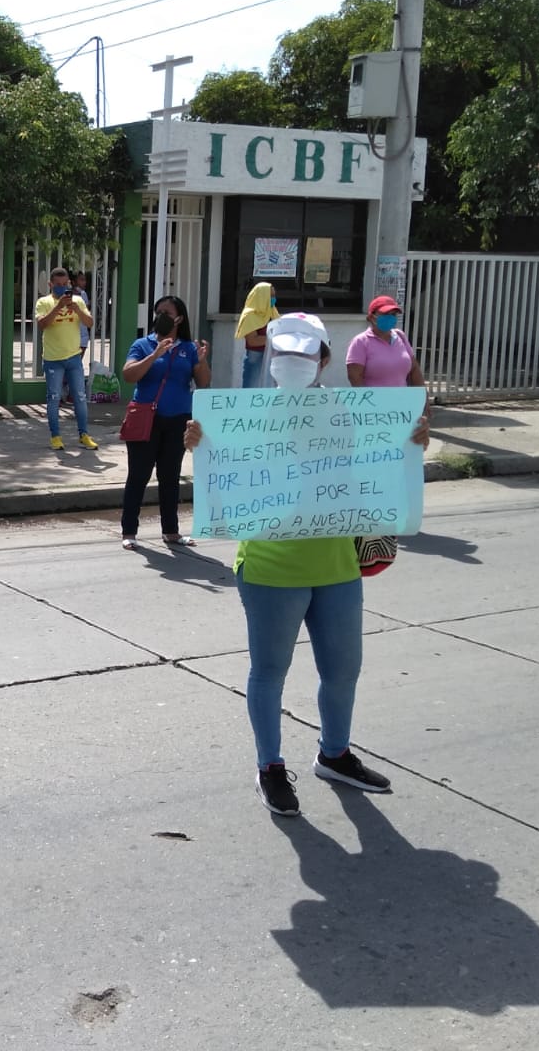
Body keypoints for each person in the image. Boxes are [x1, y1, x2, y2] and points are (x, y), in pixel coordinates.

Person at [184, 313, 430, 817]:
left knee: (343, 669)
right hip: (270, 567)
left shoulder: (350, 411)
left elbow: (379, 466)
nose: (293, 364)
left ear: (325, 359)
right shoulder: (242, 415)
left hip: (337, 564)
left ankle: (334, 754)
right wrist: (199, 445)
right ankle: (270, 767)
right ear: (271, 360)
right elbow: (220, 479)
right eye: (284, 355)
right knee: (270, 670)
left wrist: (410, 443)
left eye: (305, 355)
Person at [119, 294, 210, 550]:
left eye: (167, 313)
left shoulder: (188, 348)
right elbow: (129, 374)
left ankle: (171, 531)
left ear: (179, 318)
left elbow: (203, 382)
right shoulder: (143, 344)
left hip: (178, 419)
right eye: (158, 312)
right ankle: (129, 531)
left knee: (170, 476)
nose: (161, 317)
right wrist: (156, 352)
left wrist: (201, 361)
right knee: (139, 474)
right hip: (146, 418)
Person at [35, 266, 97, 450]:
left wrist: (77, 309)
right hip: (53, 358)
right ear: (50, 284)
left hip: (74, 357)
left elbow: (90, 323)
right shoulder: (44, 302)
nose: (62, 288)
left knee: (79, 396)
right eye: (57, 285)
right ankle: (55, 436)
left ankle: (83, 434)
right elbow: (42, 324)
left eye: (65, 284)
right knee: (53, 397)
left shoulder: (78, 300)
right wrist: (58, 306)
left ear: (69, 283)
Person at [345, 295, 429, 395]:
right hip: (375, 404)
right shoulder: (361, 342)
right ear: (372, 317)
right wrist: (366, 403)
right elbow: (354, 376)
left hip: (402, 403)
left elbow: (414, 369)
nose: (390, 318)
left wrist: (423, 398)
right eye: (385, 314)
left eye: (393, 314)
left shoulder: (400, 336)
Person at [234, 282, 279, 388]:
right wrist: (274, 338)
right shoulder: (249, 315)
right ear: (262, 296)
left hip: (272, 358)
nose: (274, 298)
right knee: (252, 391)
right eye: (271, 296)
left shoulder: (272, 312)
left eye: (274, 295)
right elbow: (252, 340)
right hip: (256, 358)